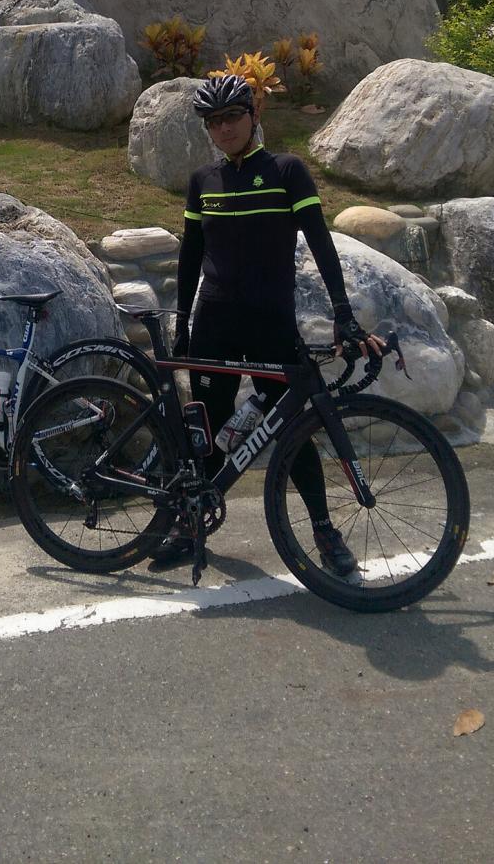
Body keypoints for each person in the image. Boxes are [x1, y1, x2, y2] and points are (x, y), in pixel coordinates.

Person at [152, 73, 383, 571]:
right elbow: (190, 256)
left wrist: (343, 313)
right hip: (214, 321)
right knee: (206, 426)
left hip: (270, 321)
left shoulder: (286, 170)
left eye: (232, 116)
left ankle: (323, 529)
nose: (224, 128)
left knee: (293, 428)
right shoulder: (203, 181)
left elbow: (321, 243)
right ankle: (191, 522)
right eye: (214, 121)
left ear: (254, 115)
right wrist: (183, 321)